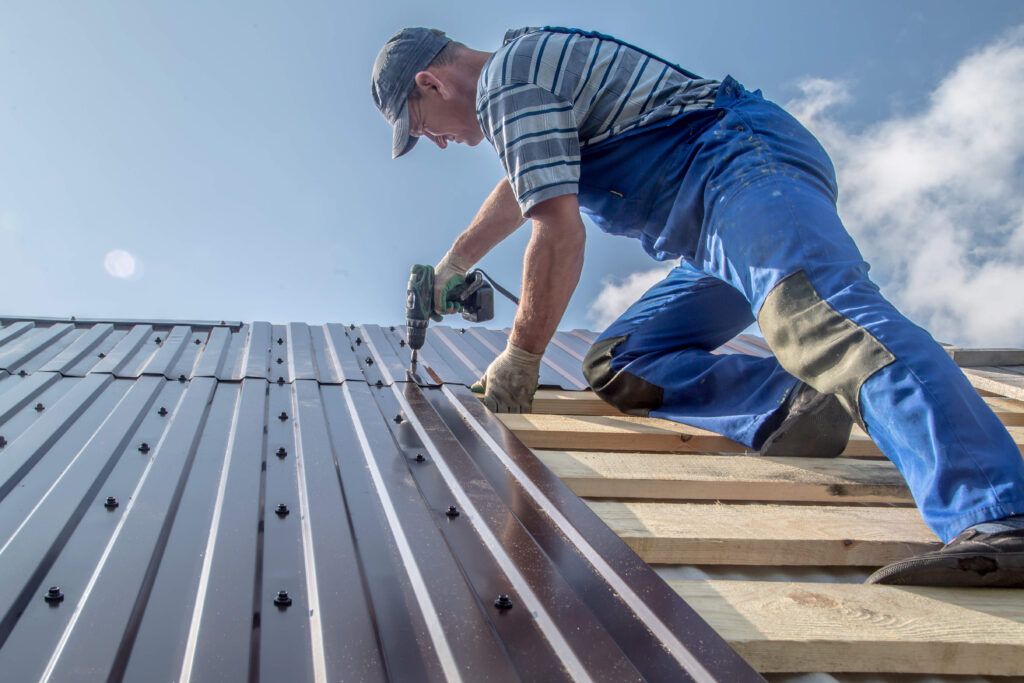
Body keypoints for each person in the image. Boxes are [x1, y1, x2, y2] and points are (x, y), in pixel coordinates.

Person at [370, 26, 1024, 587]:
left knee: (816, 315)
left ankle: (996, 512)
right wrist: (455, 262)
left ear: (431, 81)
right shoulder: (523, 86)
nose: (436, 141)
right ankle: (788, 404)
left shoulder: (506, 83)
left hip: (740, 168)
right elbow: (521, 187)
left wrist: (522, 356)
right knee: (621, 359)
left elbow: (557, 227)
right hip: (712, 228)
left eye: (422, 127)